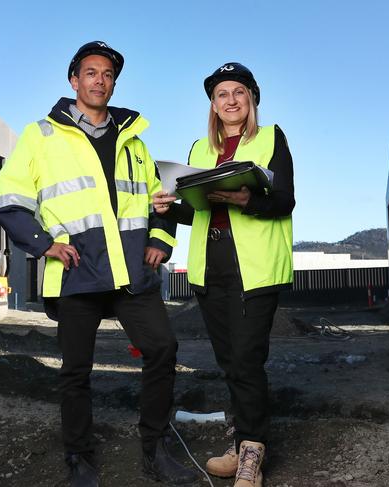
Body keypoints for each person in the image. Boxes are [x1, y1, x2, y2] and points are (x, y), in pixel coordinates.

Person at [0, 41, 201, 487]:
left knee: (162, 349)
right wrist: (42, 244)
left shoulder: (134, 142)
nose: (99, 80)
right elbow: (8, 200)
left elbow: (157, 201)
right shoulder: (41, 135)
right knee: (75, 371)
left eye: (107, 74)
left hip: (130, 270)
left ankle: (155, 449)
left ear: (113, 82)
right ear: (74, 80)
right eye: (91, 72)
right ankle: (79, 460)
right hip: (77, 271)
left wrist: (161, 241)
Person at [153, 62, 295, 487]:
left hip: (255, 266)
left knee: (248, 360)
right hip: (210, 264)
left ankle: (252, 453)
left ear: (251, 99)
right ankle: (242, 443)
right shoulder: (199, 149)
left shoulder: (271, 138)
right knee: (230, 361)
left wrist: (246, 198)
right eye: (221, 94)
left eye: (238, 92)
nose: (230, 100)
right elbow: (196, 206)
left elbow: (284, 200)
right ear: (213, 105)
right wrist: (169, 206)